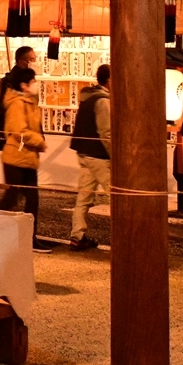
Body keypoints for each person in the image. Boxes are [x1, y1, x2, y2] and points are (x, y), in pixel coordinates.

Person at [0, 62, 48, 251]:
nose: (36, 84)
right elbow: (19, 131)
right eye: (33, 81)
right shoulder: (18, 103)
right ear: (24, 85)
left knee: (30, 199)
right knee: (13, 197)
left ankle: (29, 238)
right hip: (16, 157)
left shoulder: (30, 103)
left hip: (26, 158)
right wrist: (39, 142)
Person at [68, 64, 111, 251]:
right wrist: (115, 155)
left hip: (83, 153)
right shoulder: (103, 101)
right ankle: (125, 236)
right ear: (109, 80)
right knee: (116, 195)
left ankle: (77, 236)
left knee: (83, 197)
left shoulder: (87, 97)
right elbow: (106, 132)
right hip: (99, 155)